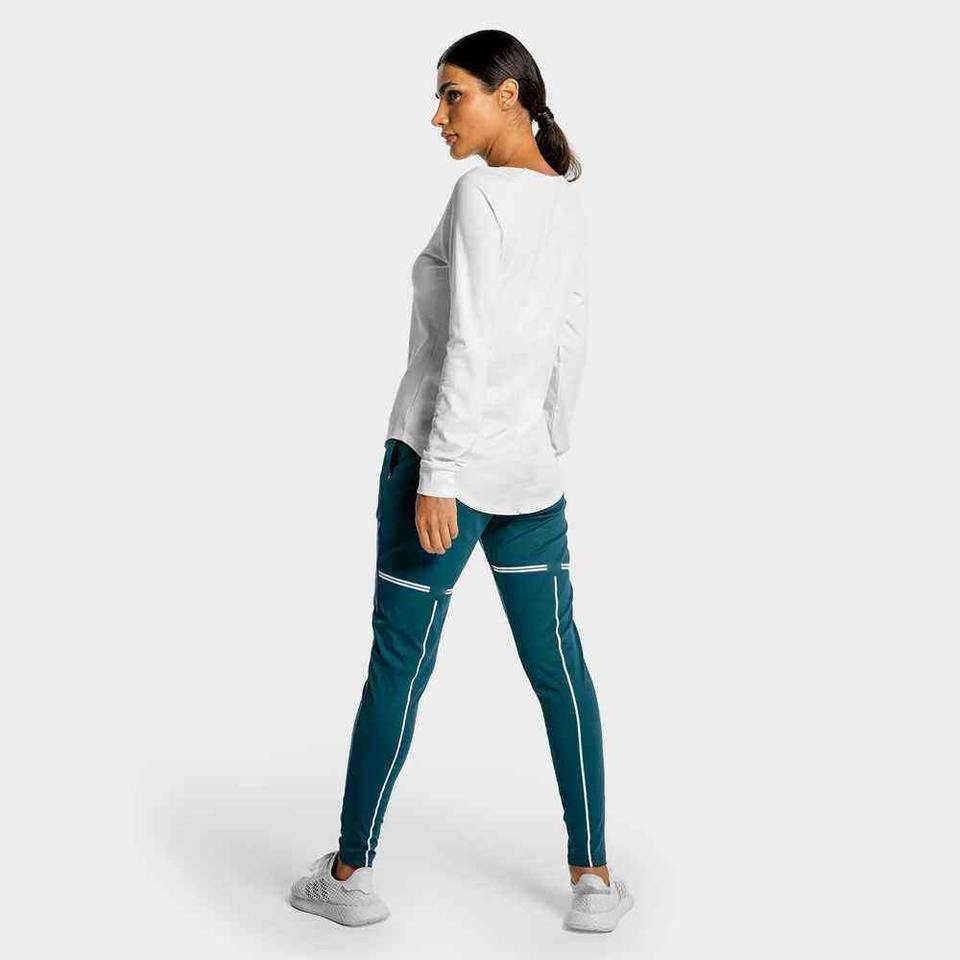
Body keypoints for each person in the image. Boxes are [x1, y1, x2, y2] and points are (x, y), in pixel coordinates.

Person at [289, 30, 634, 934]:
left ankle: (349, 875)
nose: (438, 115)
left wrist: (441, 475)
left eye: (454, 94)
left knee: (398, 667)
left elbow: (470, 337)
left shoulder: (479, 193)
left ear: (508, 95)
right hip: (528, 478)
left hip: (439, 472)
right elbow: (571, 337)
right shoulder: (565, 199)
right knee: (560, 667)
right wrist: (544, 439)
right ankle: (594, 879)